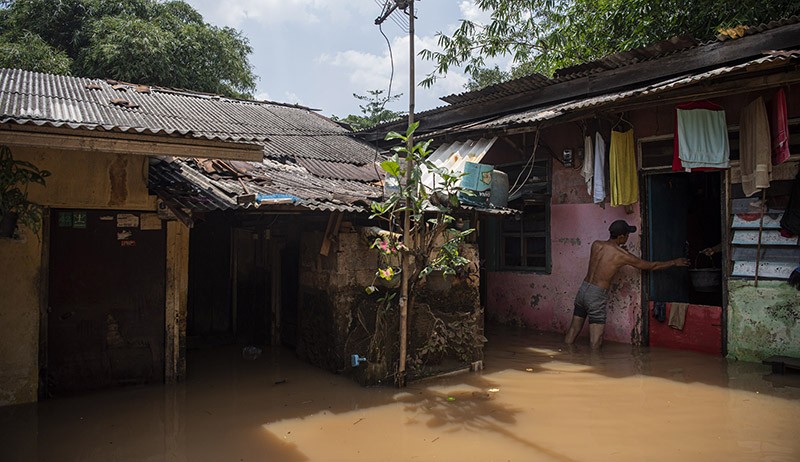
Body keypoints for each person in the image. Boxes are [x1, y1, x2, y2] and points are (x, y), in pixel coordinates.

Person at [564, 220, 690, 349]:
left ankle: (567, 355)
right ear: (621, 237)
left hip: (583, 290)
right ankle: (595, 364)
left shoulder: (596, 245)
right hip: (596, 295)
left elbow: (606, 257)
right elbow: (651, 266)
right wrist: (674, 262)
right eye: (627, 235)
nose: (628, 237)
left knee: (573, 330)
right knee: (596, 340)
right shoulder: (622, 255)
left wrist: (618, 248)